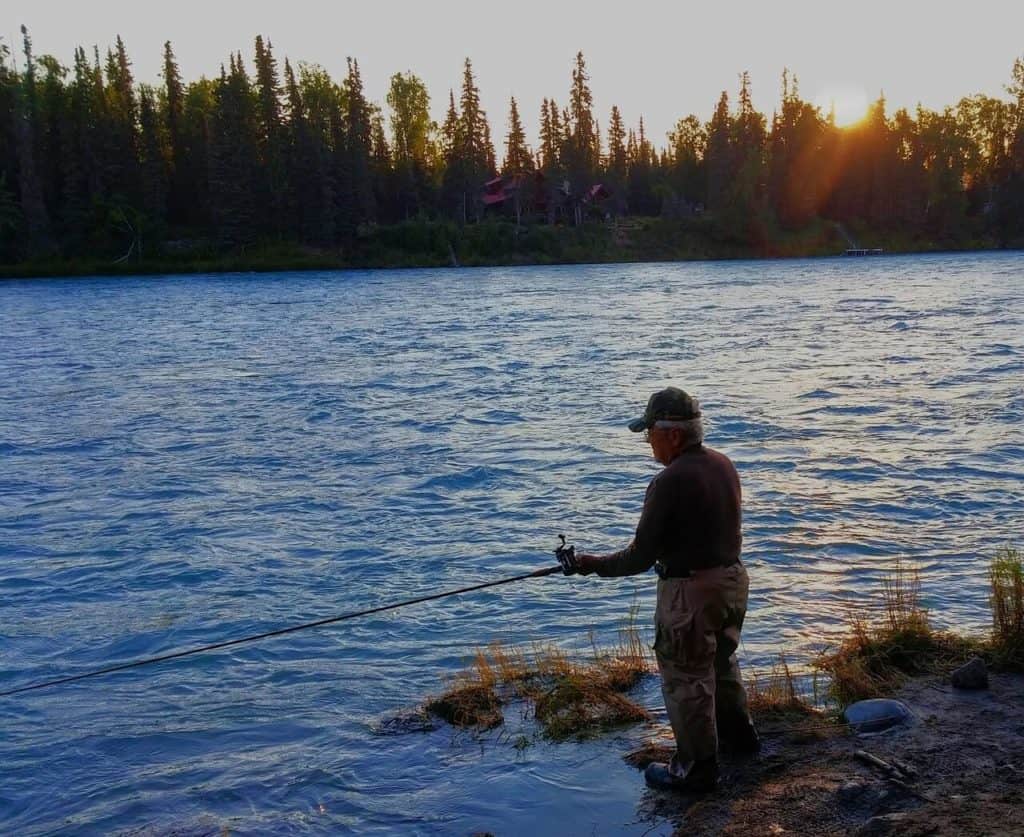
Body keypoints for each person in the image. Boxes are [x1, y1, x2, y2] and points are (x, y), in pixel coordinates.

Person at [574, 386, 759, 793]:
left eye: (649, 433)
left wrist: (590, 566)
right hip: (731, 582)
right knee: (721, 663)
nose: (648, 443)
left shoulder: (668, 481)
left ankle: (696, 770)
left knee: (685, 679)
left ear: (672, 433)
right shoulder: (722, 465)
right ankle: (740, 738)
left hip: (690, 593)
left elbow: (639, 557)